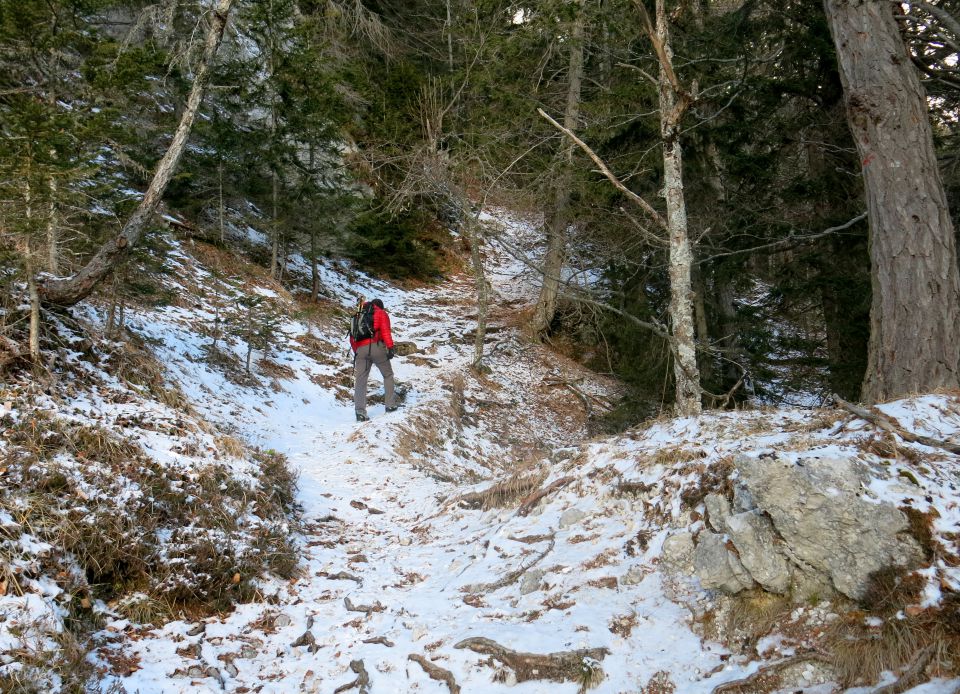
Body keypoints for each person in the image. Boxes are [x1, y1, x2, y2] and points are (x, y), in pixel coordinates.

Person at [350, 298, 397, 422]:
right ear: (380, 306)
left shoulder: (358, 314)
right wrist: (390, 347)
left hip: (360, 349)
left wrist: (358, 352)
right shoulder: (380, 313)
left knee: (361, 380)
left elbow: (352, 336)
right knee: (387, 375)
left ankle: (360, 412)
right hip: (376, 346)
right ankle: (390, 405)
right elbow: (385, 331)